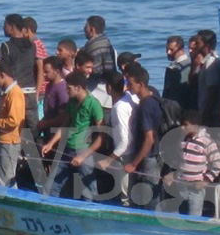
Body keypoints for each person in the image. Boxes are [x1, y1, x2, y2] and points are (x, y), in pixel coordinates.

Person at [41, 71, 104, 200]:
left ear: (78, 88)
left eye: (68, 88)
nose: (66, 91)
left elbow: (101, 137)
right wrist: (51, 143)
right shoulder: (72, 102)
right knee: (51, 186)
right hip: (67, 147)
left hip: (83, 149)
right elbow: (65, 124)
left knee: (89, 191)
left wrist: (83, 156)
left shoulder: (93, 104)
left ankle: (91, 211)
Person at [163, 110, 220, 217]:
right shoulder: (182, 140)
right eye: (181, 125)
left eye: (185, 125)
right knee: (180, 214)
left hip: (196, 188)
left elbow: (218, 164)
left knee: (194, 217)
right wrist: (171, 173)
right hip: (180, 185)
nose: (182, 128)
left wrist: (205, 180)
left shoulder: (207, 141)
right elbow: (177, 161)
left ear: (195, 126)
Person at [96, 72, 139, 206]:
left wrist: (108, 160)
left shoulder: (119, 108)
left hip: (125, 156)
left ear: (109, 87)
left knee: (125, 198)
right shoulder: (130, 97)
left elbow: (124, 142)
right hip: (134, 151)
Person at [122, 66, 162, 210]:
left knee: (148, 196)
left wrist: (133, 164)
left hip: (148, 158)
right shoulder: (154, 98)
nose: (128, 87)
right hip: (155, 154)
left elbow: (149, 139)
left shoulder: (145, 106)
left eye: (130, 83)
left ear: (141, 84)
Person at [0, 14, 38, 129]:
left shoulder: (6, 46)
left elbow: (6, 70)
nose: (3, 28)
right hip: (31, 90)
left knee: (16, 127)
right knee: (33, 128)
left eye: (5, 25)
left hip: (16, 91)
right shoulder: (32, 45)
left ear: (12, 28)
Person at [190, 29, 220, 127]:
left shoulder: (212, 63)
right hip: (205, 110)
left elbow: (212, 91)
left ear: (207, 45)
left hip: (212, 114)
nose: (195, 46)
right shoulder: (204, 61)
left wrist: (205, 114)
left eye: (198, 43)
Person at [79, 15, 116, 82]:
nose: (84, 29)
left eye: (86, 26)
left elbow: (94, 71)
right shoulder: (106, 42)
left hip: (98, 83)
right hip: (109, 80)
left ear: (92, 29)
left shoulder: (94, 47)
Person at [163, 35, 193, 110]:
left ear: (181, 50)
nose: (168, 52)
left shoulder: (186, 66)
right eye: (167, 49)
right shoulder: (173, 66)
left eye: (171, 50)